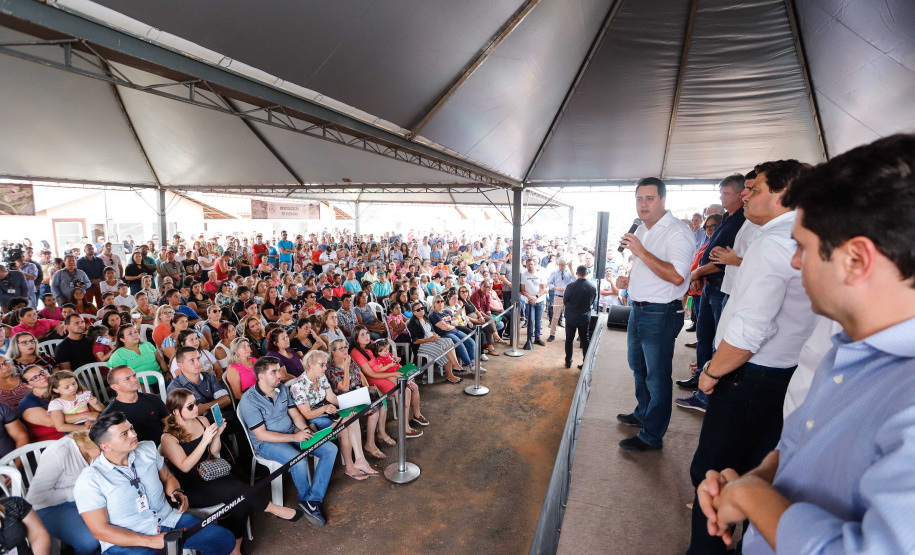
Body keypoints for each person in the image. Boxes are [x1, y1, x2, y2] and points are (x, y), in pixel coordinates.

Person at [696, 135, 915, 554]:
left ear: (856, 259)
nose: (796, 262)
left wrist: (752, 499)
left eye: (804, 247)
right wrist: (756, 478)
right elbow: (799, 444)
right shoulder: (846, 347)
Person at [686, 160, 818, 553]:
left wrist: (711, 372)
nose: (744, 194)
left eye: (755, 189)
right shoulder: (799, 238)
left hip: (749, 376)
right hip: (783, 374)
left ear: (784, 194)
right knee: (757, 469)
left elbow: (749, 330)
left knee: (714, 474)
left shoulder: (774, 243)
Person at [74, 412, 236, 555]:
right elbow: (100, 531)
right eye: (124, 433)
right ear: (105, 446)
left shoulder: (147, 449)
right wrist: (149, 541)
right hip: (128, 539)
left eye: (131, 428)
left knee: (224, 540)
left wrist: (176, 490)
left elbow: (167, 476)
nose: (133, 434)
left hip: (167, 520)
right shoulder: (90, 480)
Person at [161, 389, 302, 553]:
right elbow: (184, 467)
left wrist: (217, 435)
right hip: (191, 486)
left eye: (196, 403)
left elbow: (214, 451)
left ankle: (235, 548)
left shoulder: (201, 421)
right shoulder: (168, 437)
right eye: (190, 406)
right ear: (176, 411)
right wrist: (204, 440)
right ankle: (274, 509)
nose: (196, 408)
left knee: (239, 494)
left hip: (210, 472)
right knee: (238, 491)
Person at [615, 177, 695, 452]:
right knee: (638, 367)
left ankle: (652, 435)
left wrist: (641, 251)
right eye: (639, 198)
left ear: (662, 199)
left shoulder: (678, 232)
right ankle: (642, 413)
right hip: (639, 310)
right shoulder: (645, 229)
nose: (643, 204)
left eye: (650, 198)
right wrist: (628, 281)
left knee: (657, 376)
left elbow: (676, 276)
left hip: (660, 314)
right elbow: (649, 268)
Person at [237, 356, 337, 526]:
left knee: (330, 449)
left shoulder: (281, 388)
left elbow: (295, 414)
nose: (279, 375)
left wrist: (304, 429)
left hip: (291, 432)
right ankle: (307, 499)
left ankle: (312, 500)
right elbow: (261, 435)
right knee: (298, 460)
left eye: (278, 370)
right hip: (267, 443)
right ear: (261, 376)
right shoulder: (249, 400)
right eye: (274, 372)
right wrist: (294, 437)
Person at [678, 175, 748, 410]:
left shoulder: (742, 220)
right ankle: (700, 380)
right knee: (704, 337)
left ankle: (710, 393)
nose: (722, 197)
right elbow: (711, 253)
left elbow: (720, 261)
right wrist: (700, 275)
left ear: (740, 193)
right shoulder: (728, 218)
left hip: (722, 287)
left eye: (726, 193)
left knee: (719, 342)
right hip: (711, 285)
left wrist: (697, 274)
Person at [290, 350, 378, 480]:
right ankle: (350, 466)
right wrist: (325, 408)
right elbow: (307, 414)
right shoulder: (298, 386)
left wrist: (349, 404)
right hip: (313, 420)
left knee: (351, 418)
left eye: (325, 365)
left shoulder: (321, 377)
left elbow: (332, 398)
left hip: (328, 412)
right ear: (311, 364)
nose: (325, 368)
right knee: (344, 428)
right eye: (322, 365)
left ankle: (359, 460)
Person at [27, 430, 102, 555]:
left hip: (87, 498)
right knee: (90, 541)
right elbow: (37, 497)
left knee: (120, 524)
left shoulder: (98, 451)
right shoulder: (58, 453)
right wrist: (81, 491)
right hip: (49, 506)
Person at [350, 325, 427, 436]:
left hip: (385, 373)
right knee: (405, 391)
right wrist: (393, 374)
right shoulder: (356, 352)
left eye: (367, 332)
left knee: (414, 386)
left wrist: (392, 358)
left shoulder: (370, 343)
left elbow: (383, 354)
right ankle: (405, 428)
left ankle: (417, 415)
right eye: (362, 334)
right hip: (374, 379)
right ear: (356, 338)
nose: (366, 336)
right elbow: (370, 374)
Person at [325, 338, 391, 460]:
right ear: (333, 352)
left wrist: (366, 388)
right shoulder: (330, 368)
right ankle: (370, 444)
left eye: (345, 347)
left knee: (380, 398)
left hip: (358, 392)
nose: (345, 350)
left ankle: (381, 433)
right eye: (341, 348)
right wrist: (346, 367)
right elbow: (344, 388)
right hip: (345, 398)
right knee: (374, 410)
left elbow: (360, 373)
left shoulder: (349, 358)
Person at [17, 365, 68, 442]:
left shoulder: (63, 388)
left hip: (74, 434)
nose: (42, 377)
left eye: (42, 372)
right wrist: (85, 415)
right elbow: (53, 422)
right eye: (35, 378)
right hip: (51, 443)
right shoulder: (26, 403)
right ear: (27, 385)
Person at [562, 265, 597, 369]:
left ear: (576, 273)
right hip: (584, 317)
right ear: (587, 273)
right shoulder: (592, 286)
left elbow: (565, 301)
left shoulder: (570, 286)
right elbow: (592, 301)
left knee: (569, 339)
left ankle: (568, 360)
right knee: (585, 339)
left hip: (571, 316)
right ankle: (585, 363)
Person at [428, 295, 476, 370]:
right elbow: (444, 327)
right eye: (438, 301)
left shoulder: (446, 311)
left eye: (442, 301)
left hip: (454, 330)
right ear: (434, 303)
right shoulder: (433, 315)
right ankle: (470, 365)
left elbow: (456, 321)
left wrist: (449, 323)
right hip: (445, 334)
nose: (440, 303)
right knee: (460, 344)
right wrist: (451, 324)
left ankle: (474, 362)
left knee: (471, 342)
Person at [520, 257, 548, 347]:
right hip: (529, 301)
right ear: (526, 265)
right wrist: (530, 298)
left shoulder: (540, 274)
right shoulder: (523, 275)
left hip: (539, 300)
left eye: (532, 264)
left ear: (534, 265)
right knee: (530, 320)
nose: (530, 266)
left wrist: (535, 297)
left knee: (538, 320)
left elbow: (544, 288)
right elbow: (522, 290)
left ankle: (537, 338)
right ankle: (529, 339)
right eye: (528, 265)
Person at [546, 258, 573, 342]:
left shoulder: (569, 272)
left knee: (568, 317)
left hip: (568, 297)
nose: (562, 266)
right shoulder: (554, 272)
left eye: (563, 265)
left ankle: (568, 336)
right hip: (558, 296)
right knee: (555, 316)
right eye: (560, 265)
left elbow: (576, 279)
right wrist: (556, 288)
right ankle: (552, 334)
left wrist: (571, 268)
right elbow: (549, 283)